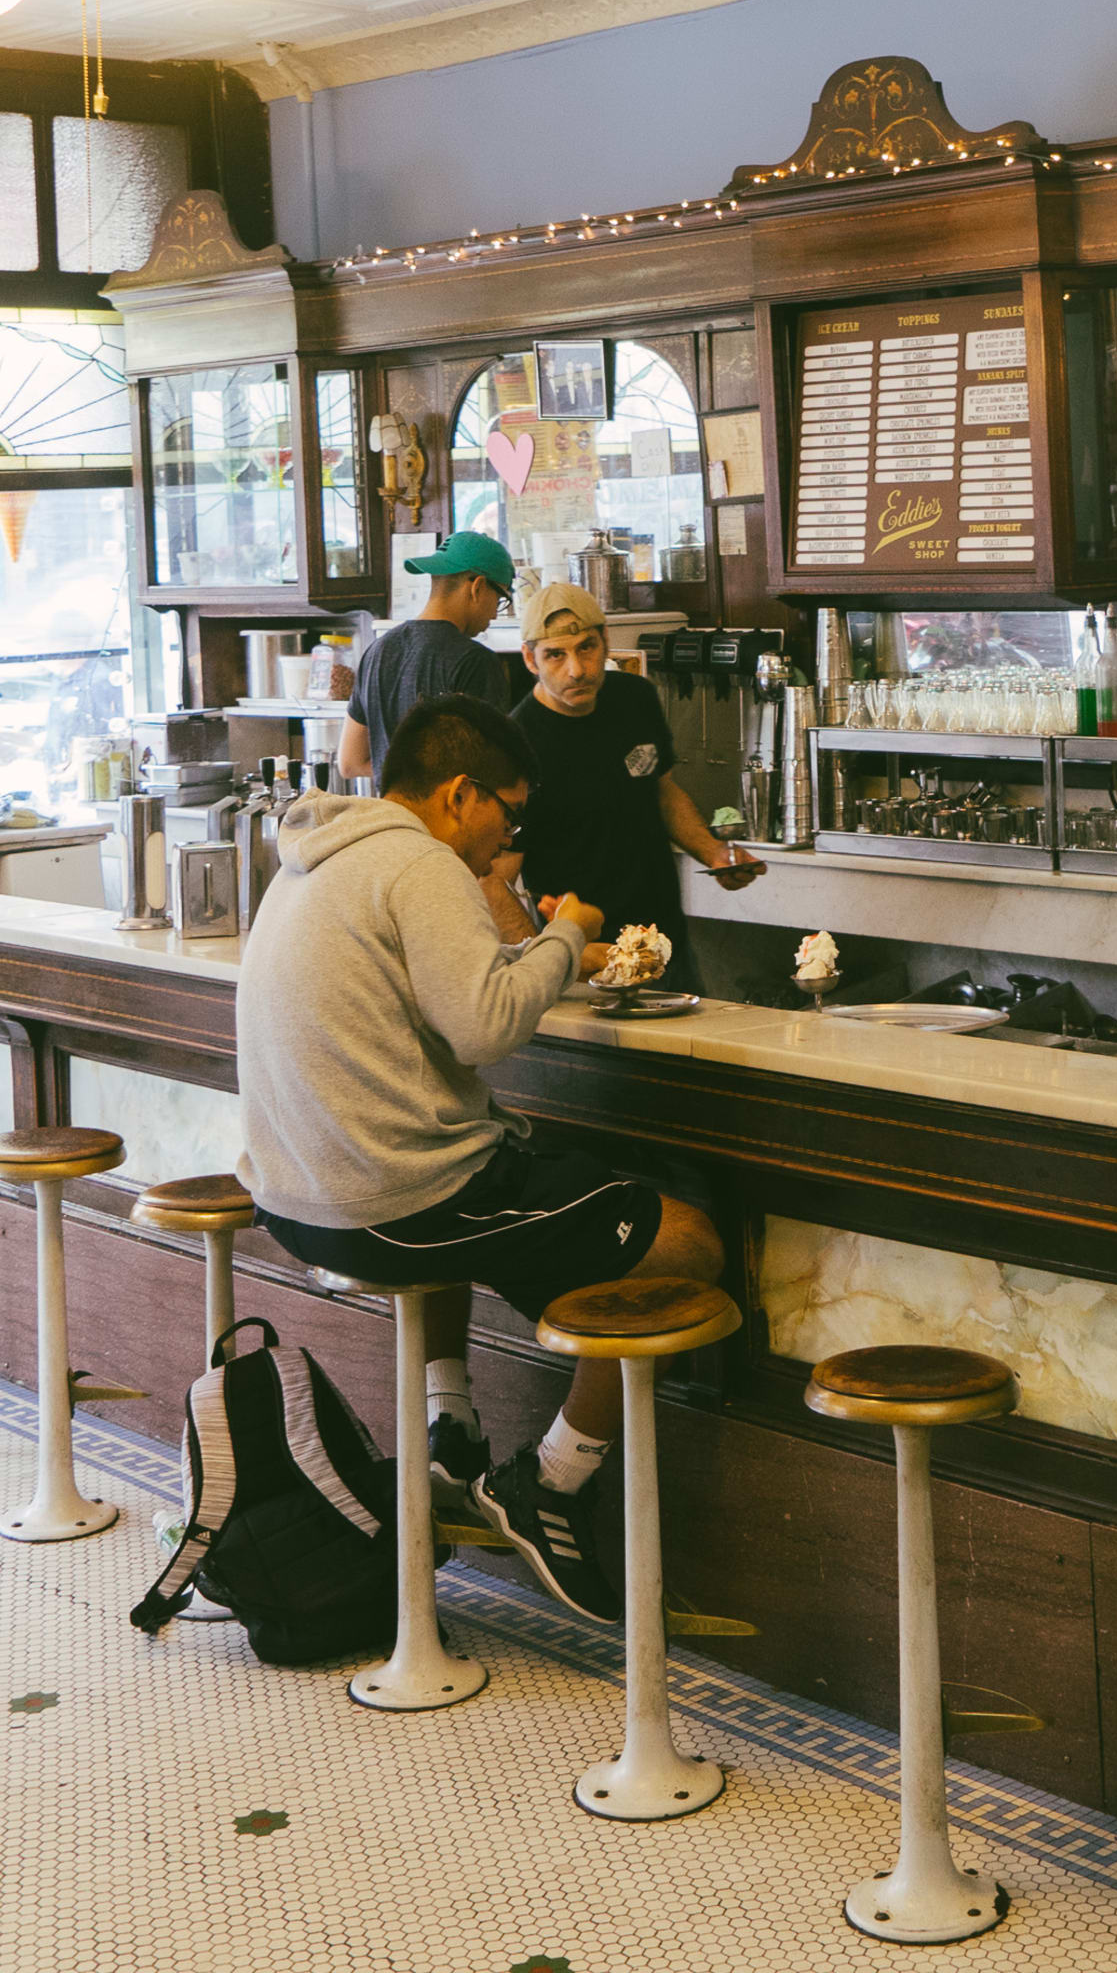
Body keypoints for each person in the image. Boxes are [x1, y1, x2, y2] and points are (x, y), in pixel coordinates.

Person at [236, 691, 724, 1625]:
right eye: (508, 809)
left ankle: (448, 1431)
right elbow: (486, 1028)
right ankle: (553, 1483)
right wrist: (570, 934)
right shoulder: (418, 864)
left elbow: (447, 1012)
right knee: (688, 1242)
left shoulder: (317, 855)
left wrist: (534, 948)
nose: (510, 832)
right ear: (462, 795)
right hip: (392, 1203)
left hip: (296, 1196)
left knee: (495, 1151)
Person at [506, 579, 758, 969]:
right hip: (588, 955)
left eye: (586, 648)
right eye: (555, 655)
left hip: (662, 937)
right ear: (529, 659)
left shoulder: (634, 697)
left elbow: (662, 792)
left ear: (605, 641)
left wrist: (715, 853)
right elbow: (494, 878)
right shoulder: (515, 743)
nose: (576, 670)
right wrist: (545, 956)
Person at [335, 528, 522, 785]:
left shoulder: (377, 651)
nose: (495, 614)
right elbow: (484, 772)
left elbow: (349, 762)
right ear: (477, 587)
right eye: (500, 598)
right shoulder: (475, 661)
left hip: (392, 821)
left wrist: (402, 777)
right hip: (448, 823)